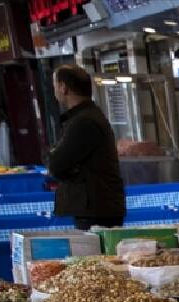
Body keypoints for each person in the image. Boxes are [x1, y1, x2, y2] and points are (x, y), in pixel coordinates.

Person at [47, 64, 126, 230]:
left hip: (96, 209)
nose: (53, 89)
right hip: (95, 206)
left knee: (96, 256)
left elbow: (57, 165)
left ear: (63, 88)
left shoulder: (84, 122)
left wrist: (57, 160)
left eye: (54, 84)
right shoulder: (85, 117)